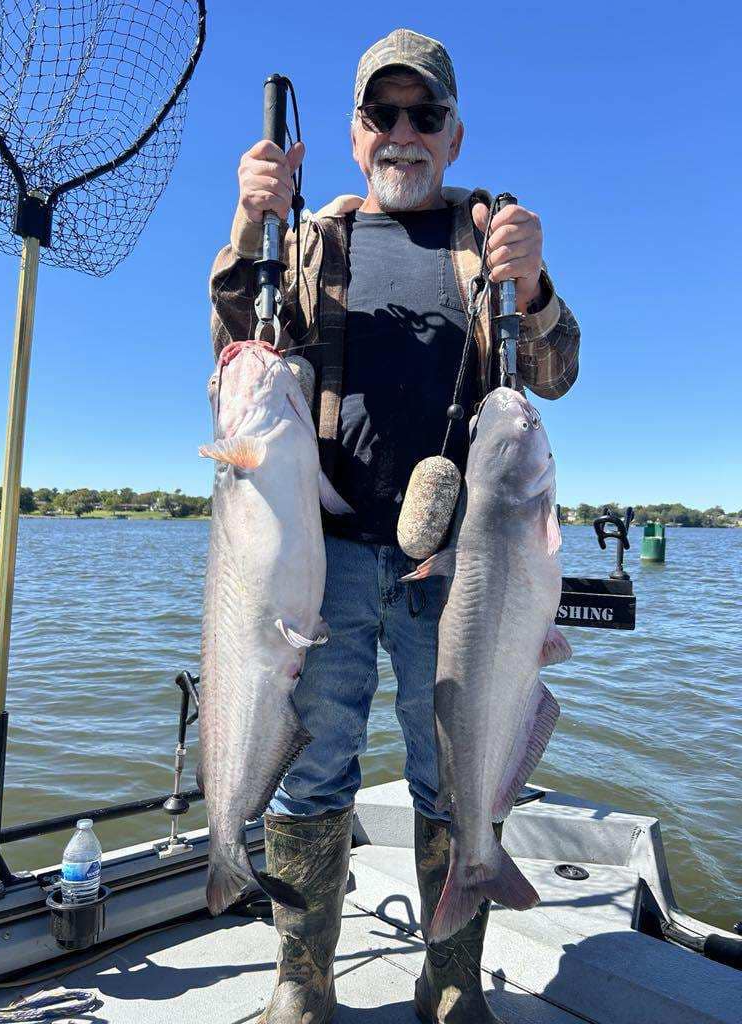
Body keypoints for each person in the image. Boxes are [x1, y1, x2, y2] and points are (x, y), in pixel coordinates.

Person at [210, 27, 580, 1024]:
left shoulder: (490, 237)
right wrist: (252, 227)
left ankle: (450, 974)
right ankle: (304, 979)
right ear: (355, 132)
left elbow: (554, 373)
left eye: (426, 116)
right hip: (319, 558)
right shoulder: (318, 236)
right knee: (315, 762)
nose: (404, 135)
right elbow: (235, 343)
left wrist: (535, 288)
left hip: (457, 572)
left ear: (455, 135)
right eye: (386, 115)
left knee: (447, 761)